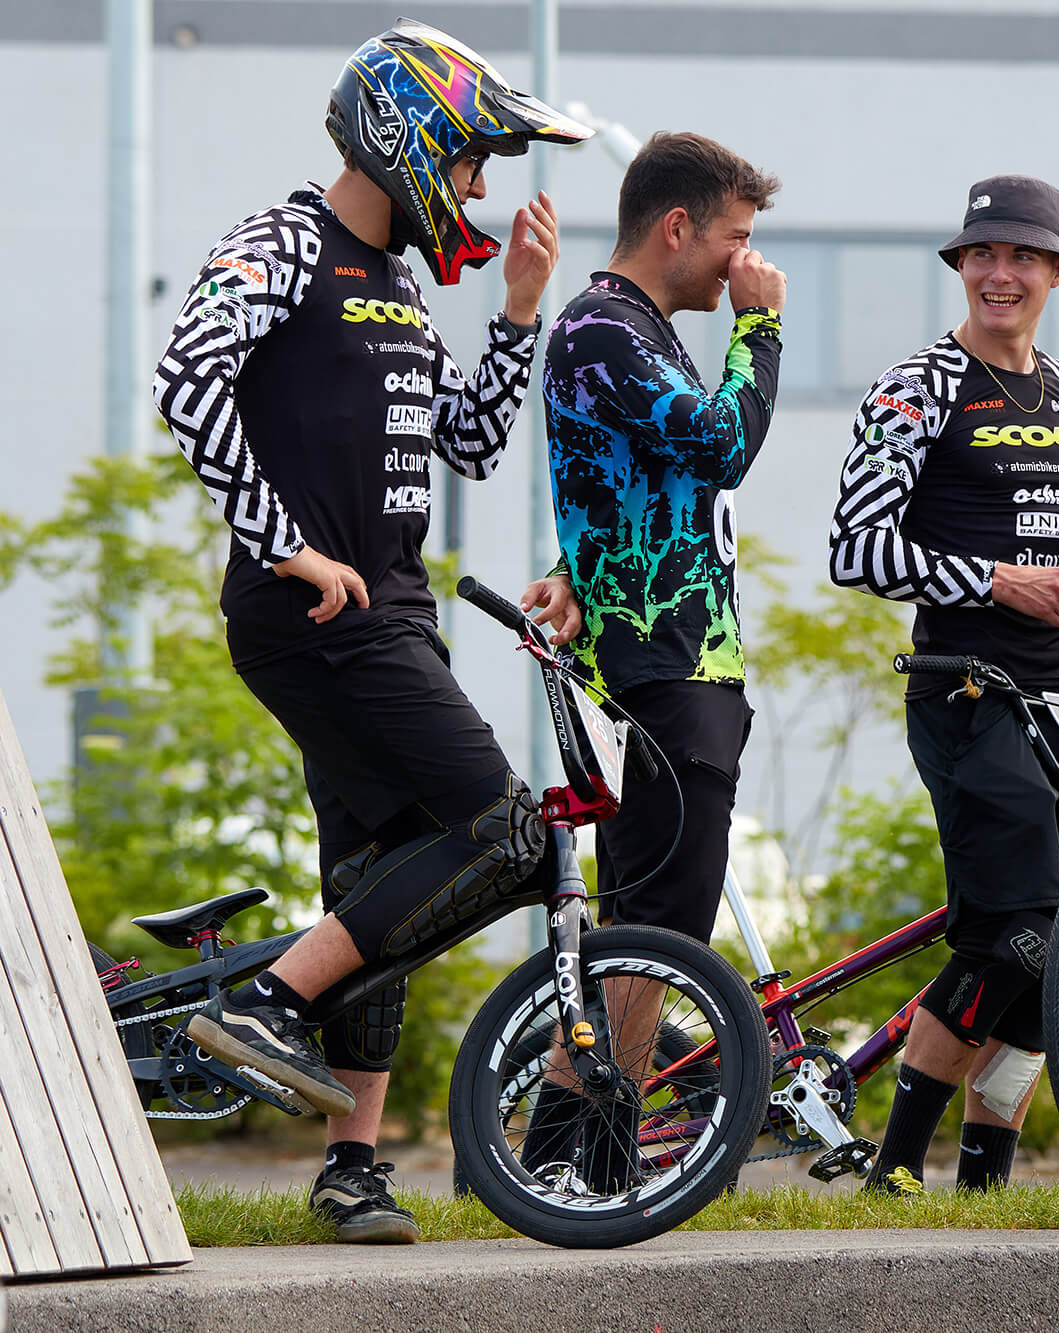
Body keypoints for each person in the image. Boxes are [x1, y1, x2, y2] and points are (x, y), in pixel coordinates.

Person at [156, 19, 588, 1242]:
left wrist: (514, 314)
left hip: (387, 612)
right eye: (470, 162)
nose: (480, 191)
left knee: (381, 878)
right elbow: (187, 380)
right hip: (316, 615)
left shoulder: (397, 275)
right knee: (504, 831)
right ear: (414, 141)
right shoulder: (280, 241)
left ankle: (351, 1169)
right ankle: (266, 1006)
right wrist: (284, 540)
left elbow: (465, 443)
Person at [829, 175, 1059, 1192]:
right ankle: (893, 1165)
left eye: (1021, 257)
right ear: (961, 267)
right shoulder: (917, 384)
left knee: (1051, 945)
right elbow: (856, 548)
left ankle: (983, 1180)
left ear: (1056, 272)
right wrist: (991, 579)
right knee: (1019, 929)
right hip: (964, 689)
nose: (998, 273)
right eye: (981, 255)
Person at [515, 134, 783, 1172]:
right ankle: (593, 1154)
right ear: (678, 228)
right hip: (665, 671)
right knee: (659, 927)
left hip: (683, 660)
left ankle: (560, 1151)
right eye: (735, 239)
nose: (743, 263)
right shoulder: (601, 328)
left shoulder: (635, 332)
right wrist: (759, 328)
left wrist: (575, 571)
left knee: (650, 919)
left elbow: (624, 482)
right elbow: (721, 445)